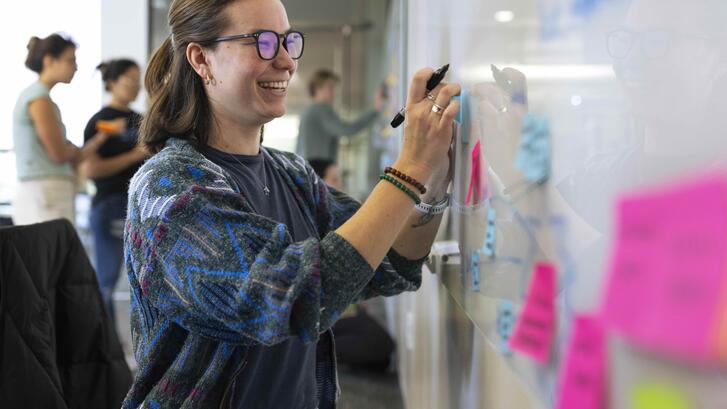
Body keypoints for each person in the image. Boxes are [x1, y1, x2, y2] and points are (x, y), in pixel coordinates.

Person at [122, 0, 459, 408]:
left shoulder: (291, 173)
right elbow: (290, 299)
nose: (285, 61)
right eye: (261, 42)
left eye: (288, 41)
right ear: (201, 59)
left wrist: (433, 179)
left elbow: (387, 264)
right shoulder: (169, 187)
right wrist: (409, 167)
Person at [12, 33, 111, 225]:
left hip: (47, 192)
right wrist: (70, 150)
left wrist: (91, 142)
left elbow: (67, 153)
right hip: (45, 193)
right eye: (70, 60)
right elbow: (59, 154)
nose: (75, 67)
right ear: (49, 61)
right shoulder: (38, 98)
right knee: (49, 254)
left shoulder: (40, 97)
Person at [80, 58, 147, 323]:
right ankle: (105, 349)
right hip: (110, 206)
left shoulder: (141, 120)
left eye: (138, 79)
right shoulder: (99, 122)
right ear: (112, 83)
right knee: (106, 280)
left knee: (143, 282)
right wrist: (134, 156)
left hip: (139, 207)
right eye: (130, 79)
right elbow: (90, 169)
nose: (136, 86)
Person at [295, 69, 385, 161]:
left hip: (309, 169)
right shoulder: (320, 110)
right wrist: (375, 110)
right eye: (330, 87)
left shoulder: (307, 112)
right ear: (317, 89)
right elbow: (347, 130)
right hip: (319, 169)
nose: (334, 92)